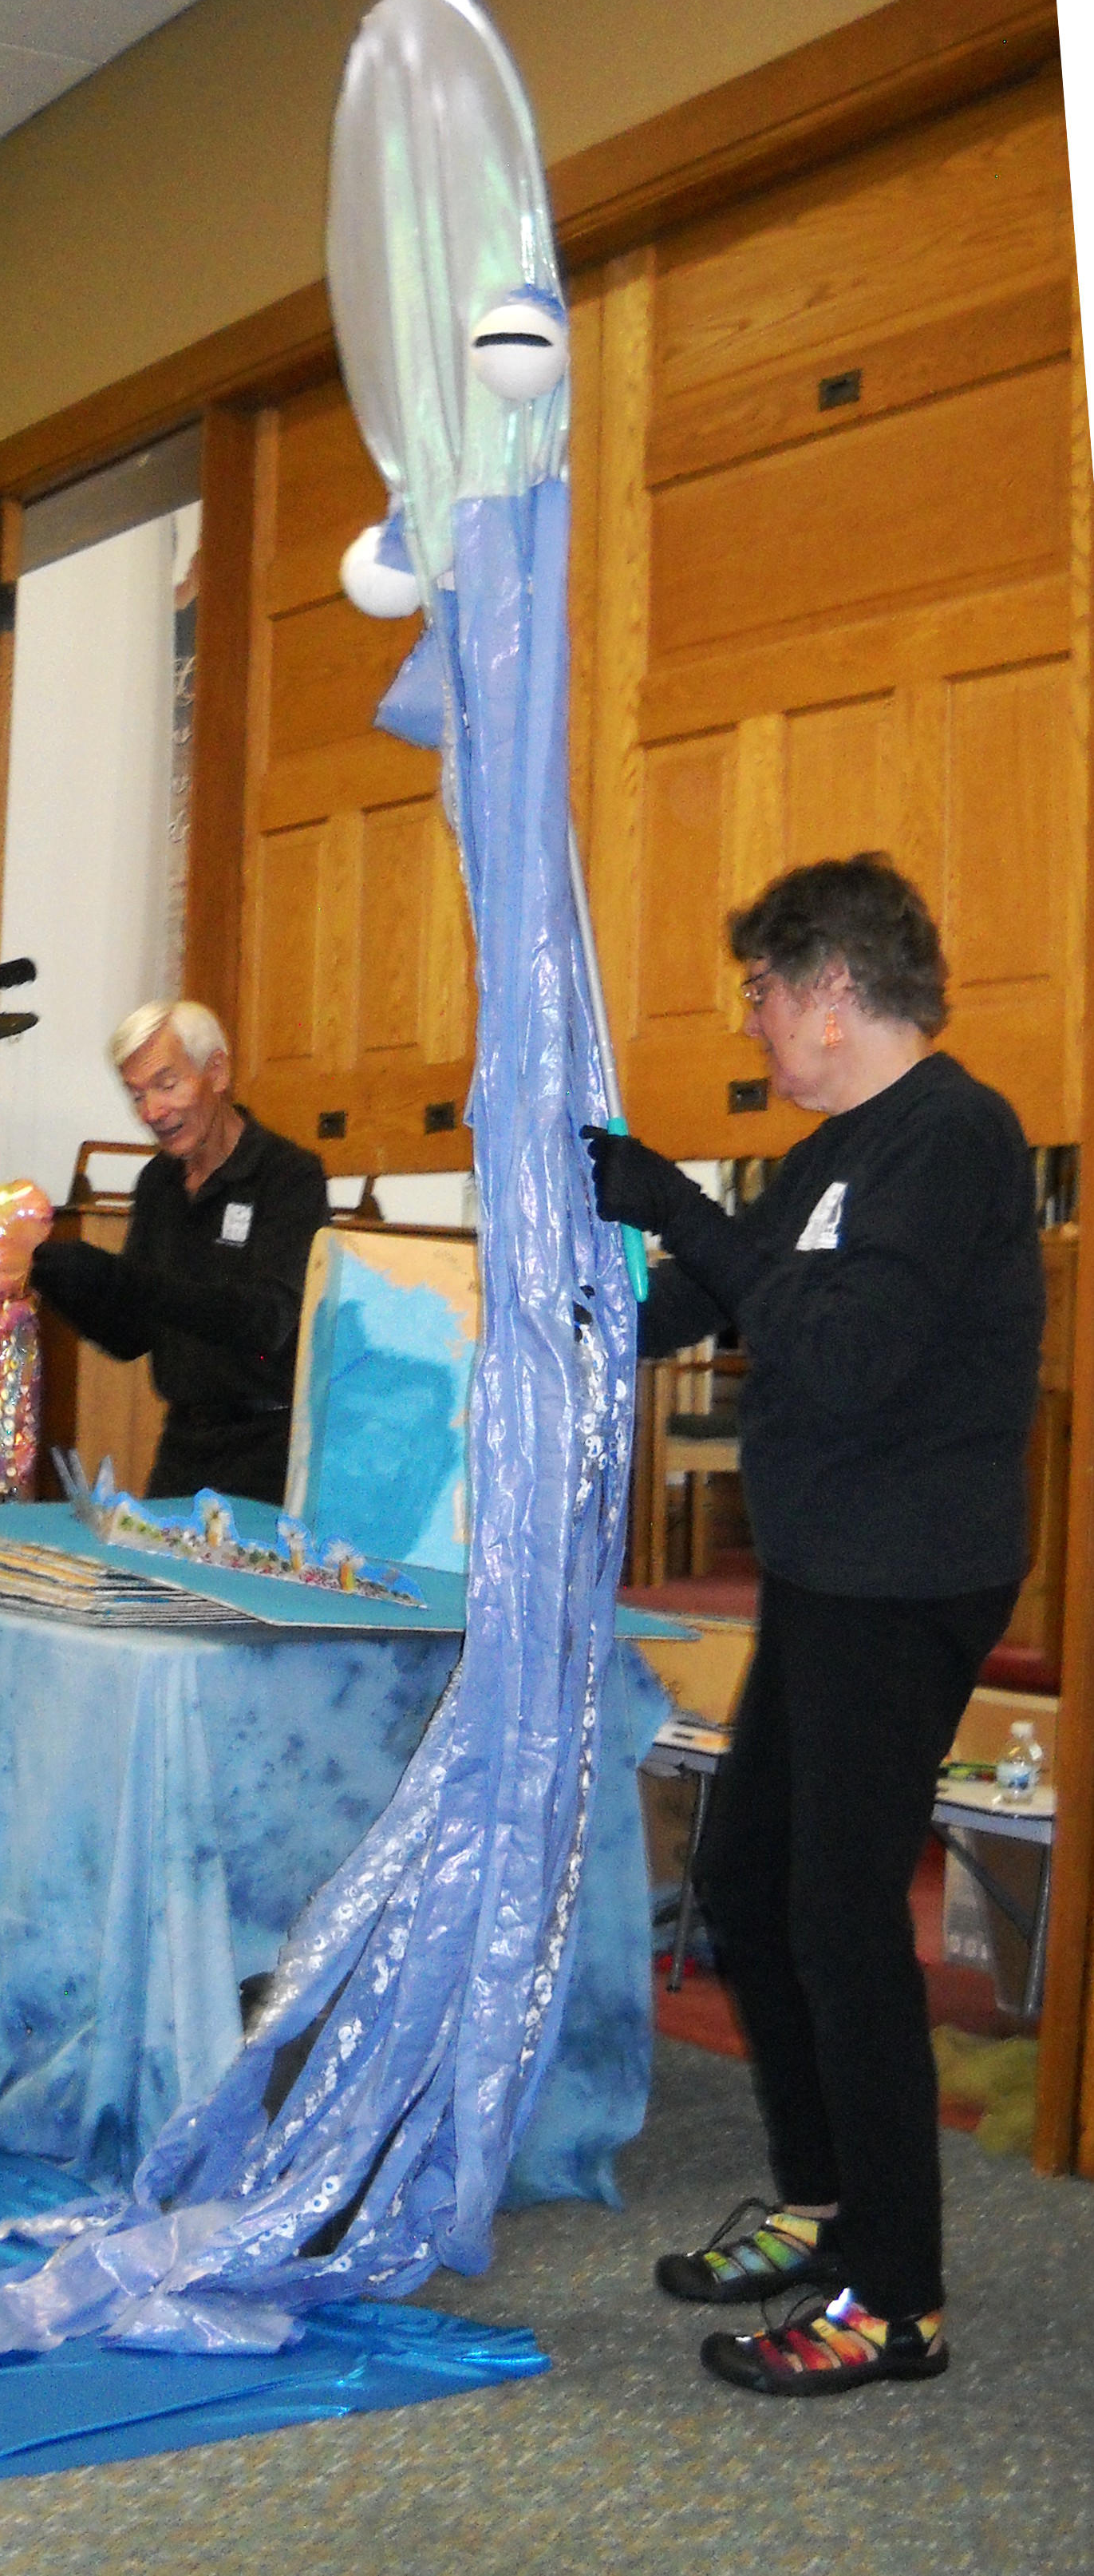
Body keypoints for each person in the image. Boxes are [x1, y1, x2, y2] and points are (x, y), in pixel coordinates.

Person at [583, 853, 1042, 2398]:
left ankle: (895, 2297)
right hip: (830, 1566)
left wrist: (673, 1205)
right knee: (745, 1878)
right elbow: (714, 1299)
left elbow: (839, 1354)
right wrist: (573, 1298)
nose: (752, 1020)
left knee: (838, 1915)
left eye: (761, 992)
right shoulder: (836, 1151)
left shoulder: (952, 1135)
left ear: (831, 990)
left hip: (900, 1574)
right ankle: (827, 2201)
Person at [29, 1000, 328, 1505]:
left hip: (271, 1453)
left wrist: (119, 1278)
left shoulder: (288, 1176)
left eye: (166, 1085)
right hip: (183, 1448)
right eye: (137, 1095)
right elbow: (131, 1336)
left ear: (217, 1072)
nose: (152, 1112)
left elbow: (265, 1322)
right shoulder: (158, 1182)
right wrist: (59, 1280)